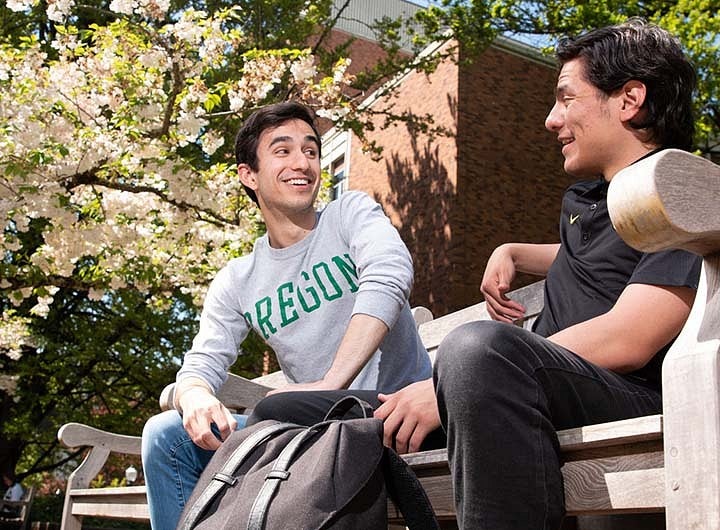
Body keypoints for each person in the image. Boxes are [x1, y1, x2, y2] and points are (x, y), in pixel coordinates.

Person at [248, 18, 702, 530]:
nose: (551, 120)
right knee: (285, 413)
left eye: (566, 98)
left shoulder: (682, 190)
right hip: (505, 400)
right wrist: (514, 251)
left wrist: (447, 384)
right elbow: (600, 256)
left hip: (618, 396)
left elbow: (632, 336)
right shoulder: (586, 200)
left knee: (473, 348)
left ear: (629, 99)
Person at [141, 102, 432, 530]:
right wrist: (195, 397)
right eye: (283, 150)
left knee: (278, 406)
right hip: (311, 428)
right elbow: (201, 363)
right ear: (249, 175)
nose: (303, 163)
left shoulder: (348, 214)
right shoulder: (239, 278)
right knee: (165, 436)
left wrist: (332, 383)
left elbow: (389, 275)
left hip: (392, 416)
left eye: (311, 151)